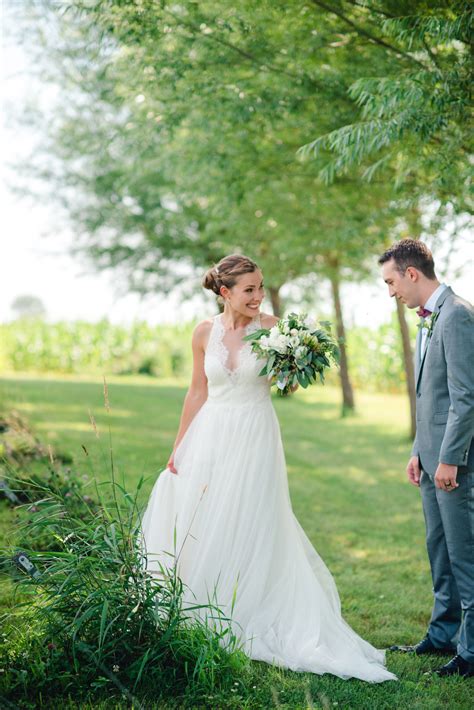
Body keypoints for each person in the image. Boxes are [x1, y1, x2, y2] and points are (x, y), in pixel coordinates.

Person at [140, 253, 396, 682]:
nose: (259, 296)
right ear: (225, 292)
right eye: (249, 289)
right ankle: (205, 601)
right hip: (210, 433)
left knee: (250, 515)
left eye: (261, 287)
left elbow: (290, 382)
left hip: (255, 432)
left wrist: (293, 371)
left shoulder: (278, 330)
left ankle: (252, 605)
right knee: (203, 517)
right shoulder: (204, 332)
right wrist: (179, 446)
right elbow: (196, 392)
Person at [379, 239, 474, 678]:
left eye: (392, 281)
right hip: (430, 460)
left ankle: (470, 652)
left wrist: (450, 459)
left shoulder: (456, 316)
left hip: (455, 464)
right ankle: (442, 634)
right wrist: (419, 450)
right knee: (439, 548)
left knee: (464, 554)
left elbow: (465, 398)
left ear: (411, 273)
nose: (391, 291)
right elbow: (428, 396)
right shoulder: (427, 321)